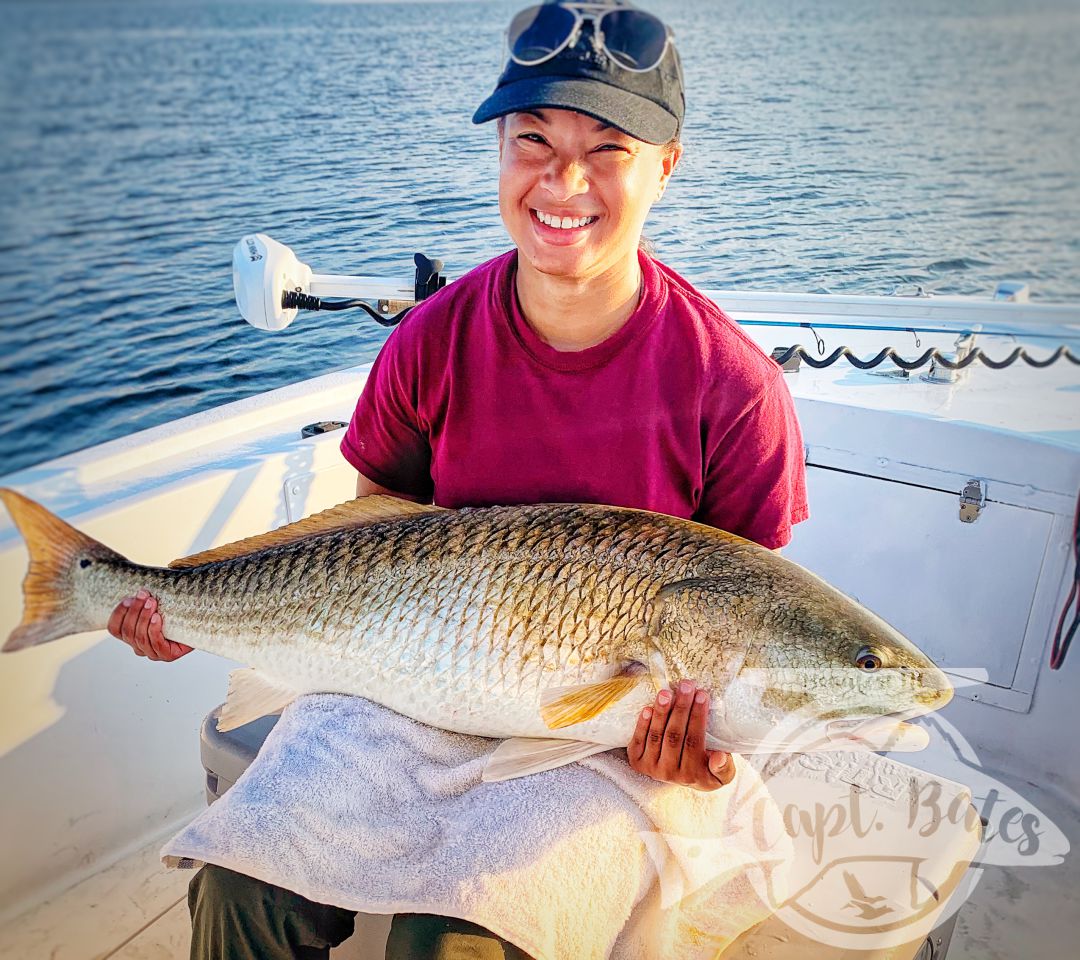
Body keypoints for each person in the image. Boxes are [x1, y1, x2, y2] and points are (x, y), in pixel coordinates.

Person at [108, 2, 808, 957]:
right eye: (533, 140)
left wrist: (696, 744)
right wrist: (194, 609)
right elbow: (359, 549)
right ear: (500, 151)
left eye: (608, 149)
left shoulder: (733, 390)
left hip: (599, 745)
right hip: (410, 690)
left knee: (454, 943)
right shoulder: (430, 341)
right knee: (241, 889)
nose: (565, 180)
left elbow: (746, 622)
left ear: (666, 165)